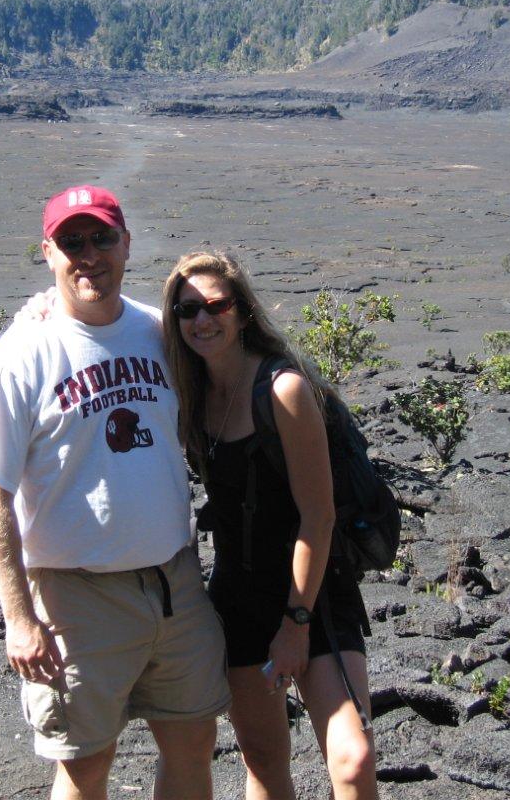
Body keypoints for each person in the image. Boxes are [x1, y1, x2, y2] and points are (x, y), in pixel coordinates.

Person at [0, 186, 229, 800]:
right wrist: (19, 619)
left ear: (126, 244)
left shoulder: (160, 332)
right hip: (75, 599)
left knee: (193, 743)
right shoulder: (20, 356)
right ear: (48, 254)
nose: (89, 255)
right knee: (85, 765)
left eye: (102, 238)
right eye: (72, 242)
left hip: (176, 584)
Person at [162, 250, 378, 800]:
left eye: (216, 306)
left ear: (242, 310)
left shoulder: (283, 389)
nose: (202, 320)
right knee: (262, 760)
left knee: (353, 761)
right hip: (239, 597)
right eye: (188, 310)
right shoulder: (190, 394)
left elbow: (318, 517)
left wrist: (295, 624)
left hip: (314, 594)